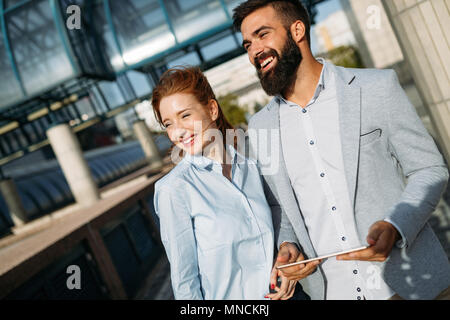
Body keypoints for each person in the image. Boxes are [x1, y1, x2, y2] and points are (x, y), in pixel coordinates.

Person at [232, 0, 450, 300]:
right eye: (247, 45)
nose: (254, 50)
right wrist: (287, 248)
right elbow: (280, 207)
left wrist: (396, 225)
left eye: (263, 34)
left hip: (411, 282)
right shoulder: (259, 127)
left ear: (297, 30)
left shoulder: (375, 88)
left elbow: (429, 169)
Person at [151, 66, 309, 300]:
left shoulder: (250, 163)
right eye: (169, 124)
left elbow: (278, 208)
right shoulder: (173, 189)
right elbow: (185, 280)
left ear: (212, 109)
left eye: (185, 116)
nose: (178, 132)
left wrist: (287, 246)